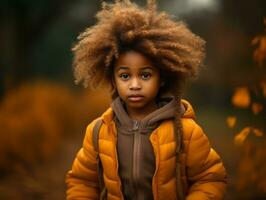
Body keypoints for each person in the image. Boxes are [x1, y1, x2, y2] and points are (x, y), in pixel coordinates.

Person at [65, 0, 227, 199]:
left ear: (162, 78)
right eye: (125, 76)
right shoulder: (98, 132)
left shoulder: (185, 132)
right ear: (113, 80)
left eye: (145, 75)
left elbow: (209, 178)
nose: (135, 84)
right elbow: (82, 181)